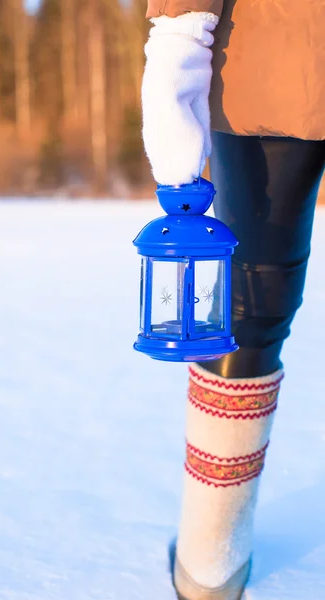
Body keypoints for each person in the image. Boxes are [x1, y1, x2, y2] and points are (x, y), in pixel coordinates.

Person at [142, 2, 325, 599]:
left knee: (253, 310)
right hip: (278, 62)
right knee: (251, 307)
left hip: (275, 62)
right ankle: (211, 553)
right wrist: (178, 34)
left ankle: (209, 561)